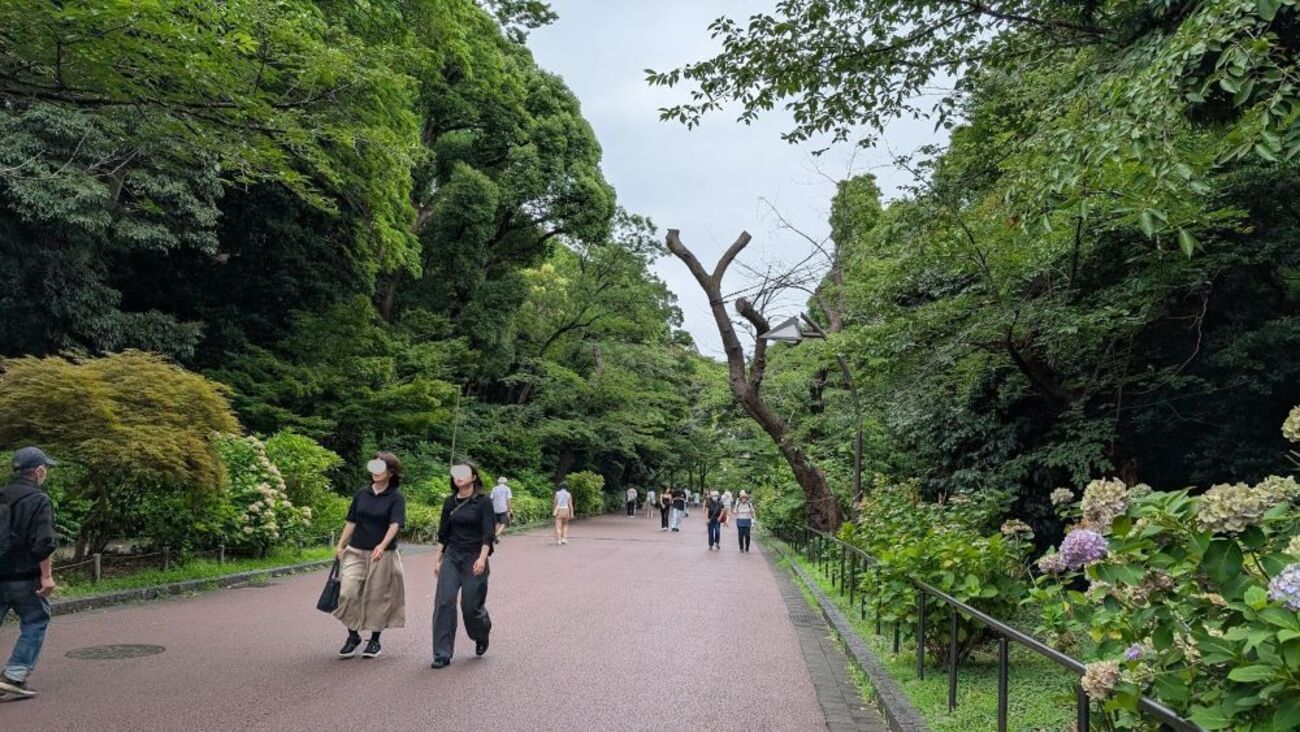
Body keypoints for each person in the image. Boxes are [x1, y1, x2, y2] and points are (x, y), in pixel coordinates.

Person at [333, 452, 407, 660]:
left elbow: (395, 524)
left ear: (391, 472)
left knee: (377, 597)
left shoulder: (396, 497)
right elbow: (351, 521)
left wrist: (382, 546)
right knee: (347, 592)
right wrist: (340, 545)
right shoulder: (362, 494)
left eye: (380, 468)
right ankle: (353, 636)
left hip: (381, 554)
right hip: (356, 550)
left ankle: (374, 640)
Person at [0, 447, 58, 701]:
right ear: (38, 471)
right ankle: (14, 675)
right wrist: (46, 576)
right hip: (24, 576)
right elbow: (43, 542)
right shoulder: (39, 500)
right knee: (35, 620)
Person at [431, 462, 495, 669]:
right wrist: (437, 559)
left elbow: (488, 533)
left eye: (463, 474)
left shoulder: (483, 502)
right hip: (452, 555)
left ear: (474, 477)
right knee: (444, 602)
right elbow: (443, 534)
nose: (458, 477)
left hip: (475, 556)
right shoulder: (450, 502)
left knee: (470, 606)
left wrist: (482, 558)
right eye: (455, 474)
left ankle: (481, 633)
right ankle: (442, 653)